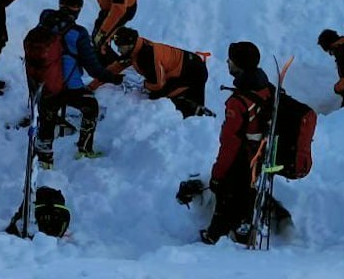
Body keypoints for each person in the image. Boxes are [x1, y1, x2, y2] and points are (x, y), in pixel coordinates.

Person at [201, 41, 282, 246]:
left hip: (242, 158)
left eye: (231, 59)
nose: (227, 62)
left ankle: (215, 236)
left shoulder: (238, 102)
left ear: (239, 64)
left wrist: (217, 174)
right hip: (261, 154)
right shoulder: (266, 87)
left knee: (225, 193)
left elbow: (230, 143)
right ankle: (243, 227)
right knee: (246, 194)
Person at [36, 0, 113, 167]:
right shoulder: (78, 33)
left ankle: (44, 159)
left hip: (45, 85)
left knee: (47, 114)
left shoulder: (45, 18)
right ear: (77, 9)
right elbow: (93, 68)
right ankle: (84, 148)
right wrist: (112, 77)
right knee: (91, 106)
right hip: (69, 88)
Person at [107, 29, 211, 117]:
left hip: (194, 73)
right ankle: (198, 113)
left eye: (120, 46)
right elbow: (114, 68)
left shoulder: (146, 56)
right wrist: (93, 85)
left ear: (129, 44)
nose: (118, 49)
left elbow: (158, 84)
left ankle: (196, 115)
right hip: (192, 65)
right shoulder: (138, 47)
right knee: (162, 93)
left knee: (160, 97)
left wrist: (144, 85)